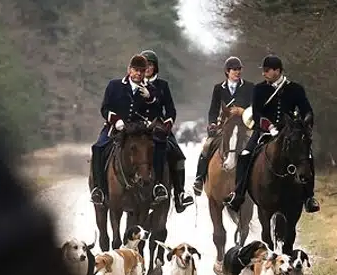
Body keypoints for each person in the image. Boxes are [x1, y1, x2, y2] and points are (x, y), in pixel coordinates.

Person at [224, 54, 321, 214]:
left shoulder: (295, 89)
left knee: (307, 157)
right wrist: (269, 127)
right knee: (245, 155)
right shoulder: (259, 89)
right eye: (264, 70)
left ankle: (309, 197)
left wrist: (305, 122)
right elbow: (256, 114)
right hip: (264, 132)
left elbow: (306, 110)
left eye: (267, 70)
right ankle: (238, 193)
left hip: (290, 133)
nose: (264, 73)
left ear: (278, 71)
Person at [90, 53, 168, 206]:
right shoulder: (114, 85)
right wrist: (116, 120)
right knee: (98, 148)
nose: (138, 73)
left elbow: (158, 109)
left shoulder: (150, 89)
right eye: (135, 70)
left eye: (141, 70)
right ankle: (99, 189)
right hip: (116, 127)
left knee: (157, 148)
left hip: (139, 131)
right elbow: (105, 108)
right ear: (129, 70)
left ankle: (158, 185)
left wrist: (150, 98)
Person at [139, 49, 194, 212]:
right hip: (137, 128)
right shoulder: (135, 84)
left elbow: (170, 110)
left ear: (155, 67)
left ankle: (179, 194)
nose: (147, 68)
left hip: (158, 127)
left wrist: (167, 125)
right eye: (144, 65)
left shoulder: (163, 85)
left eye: (150, 65)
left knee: (178, 156)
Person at [192, 56, 248, 196]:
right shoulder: (219, 88)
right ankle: (199, 178)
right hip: (224, 127)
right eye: (234, 70)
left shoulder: (249, 87)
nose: (237, 72)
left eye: (239, 69)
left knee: (253, 148)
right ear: (227, 72)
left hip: (243, 126)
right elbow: (213, 110)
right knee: (207, 146)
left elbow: (254, 108)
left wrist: (243, 111)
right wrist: (212, 124)